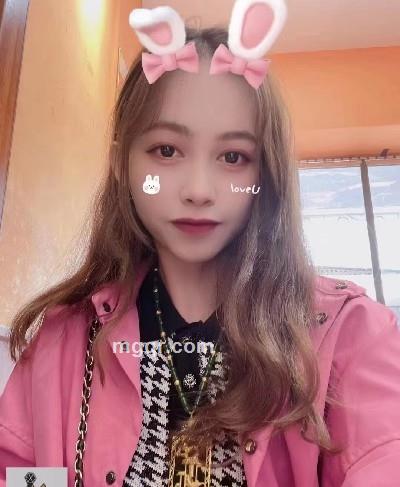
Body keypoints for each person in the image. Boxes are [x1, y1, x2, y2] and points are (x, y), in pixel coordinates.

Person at [1, 2, 400, 486]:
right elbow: (21, 473)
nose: (198, 189)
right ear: (122, 164)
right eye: (166, 150)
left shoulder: (347, 336)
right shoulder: (63, 339)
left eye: (233, 157)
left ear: (267, 173)